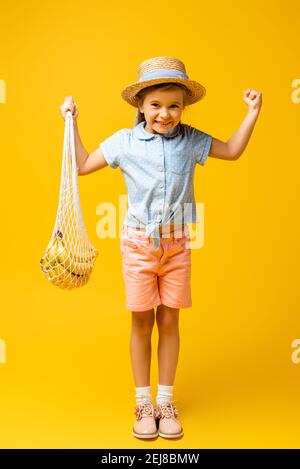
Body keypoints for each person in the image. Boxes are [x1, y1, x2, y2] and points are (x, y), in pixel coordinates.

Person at [59, 56, 262, 440]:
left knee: (170, 320)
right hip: (138, 245)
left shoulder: (193, 140)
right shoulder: (125, 142)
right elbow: (83, 165)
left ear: (183, 108)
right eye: (156, 105)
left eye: (174, 106)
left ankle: (165, 400)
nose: (165, 114)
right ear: (140, 105)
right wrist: (71, 122)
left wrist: (252, 112)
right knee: (141, 320)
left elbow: (233, 150)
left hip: (177, 244)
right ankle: (143, 402)